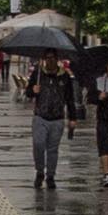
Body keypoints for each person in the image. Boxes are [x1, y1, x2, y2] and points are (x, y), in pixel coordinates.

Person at [29, 57, 78, 190]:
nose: (50, 61)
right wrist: (33, 90)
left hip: (57, 118)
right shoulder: (38, 74)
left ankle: (50, 176)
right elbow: (28, 93)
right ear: (44, 59)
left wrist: (72, 118)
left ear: (57, 60)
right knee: (38, 144)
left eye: (53, 58)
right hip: (40, 116)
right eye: (48, 58)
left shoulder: (64, 76)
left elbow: (70, 98)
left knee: (53, 149)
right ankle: (40, 171)